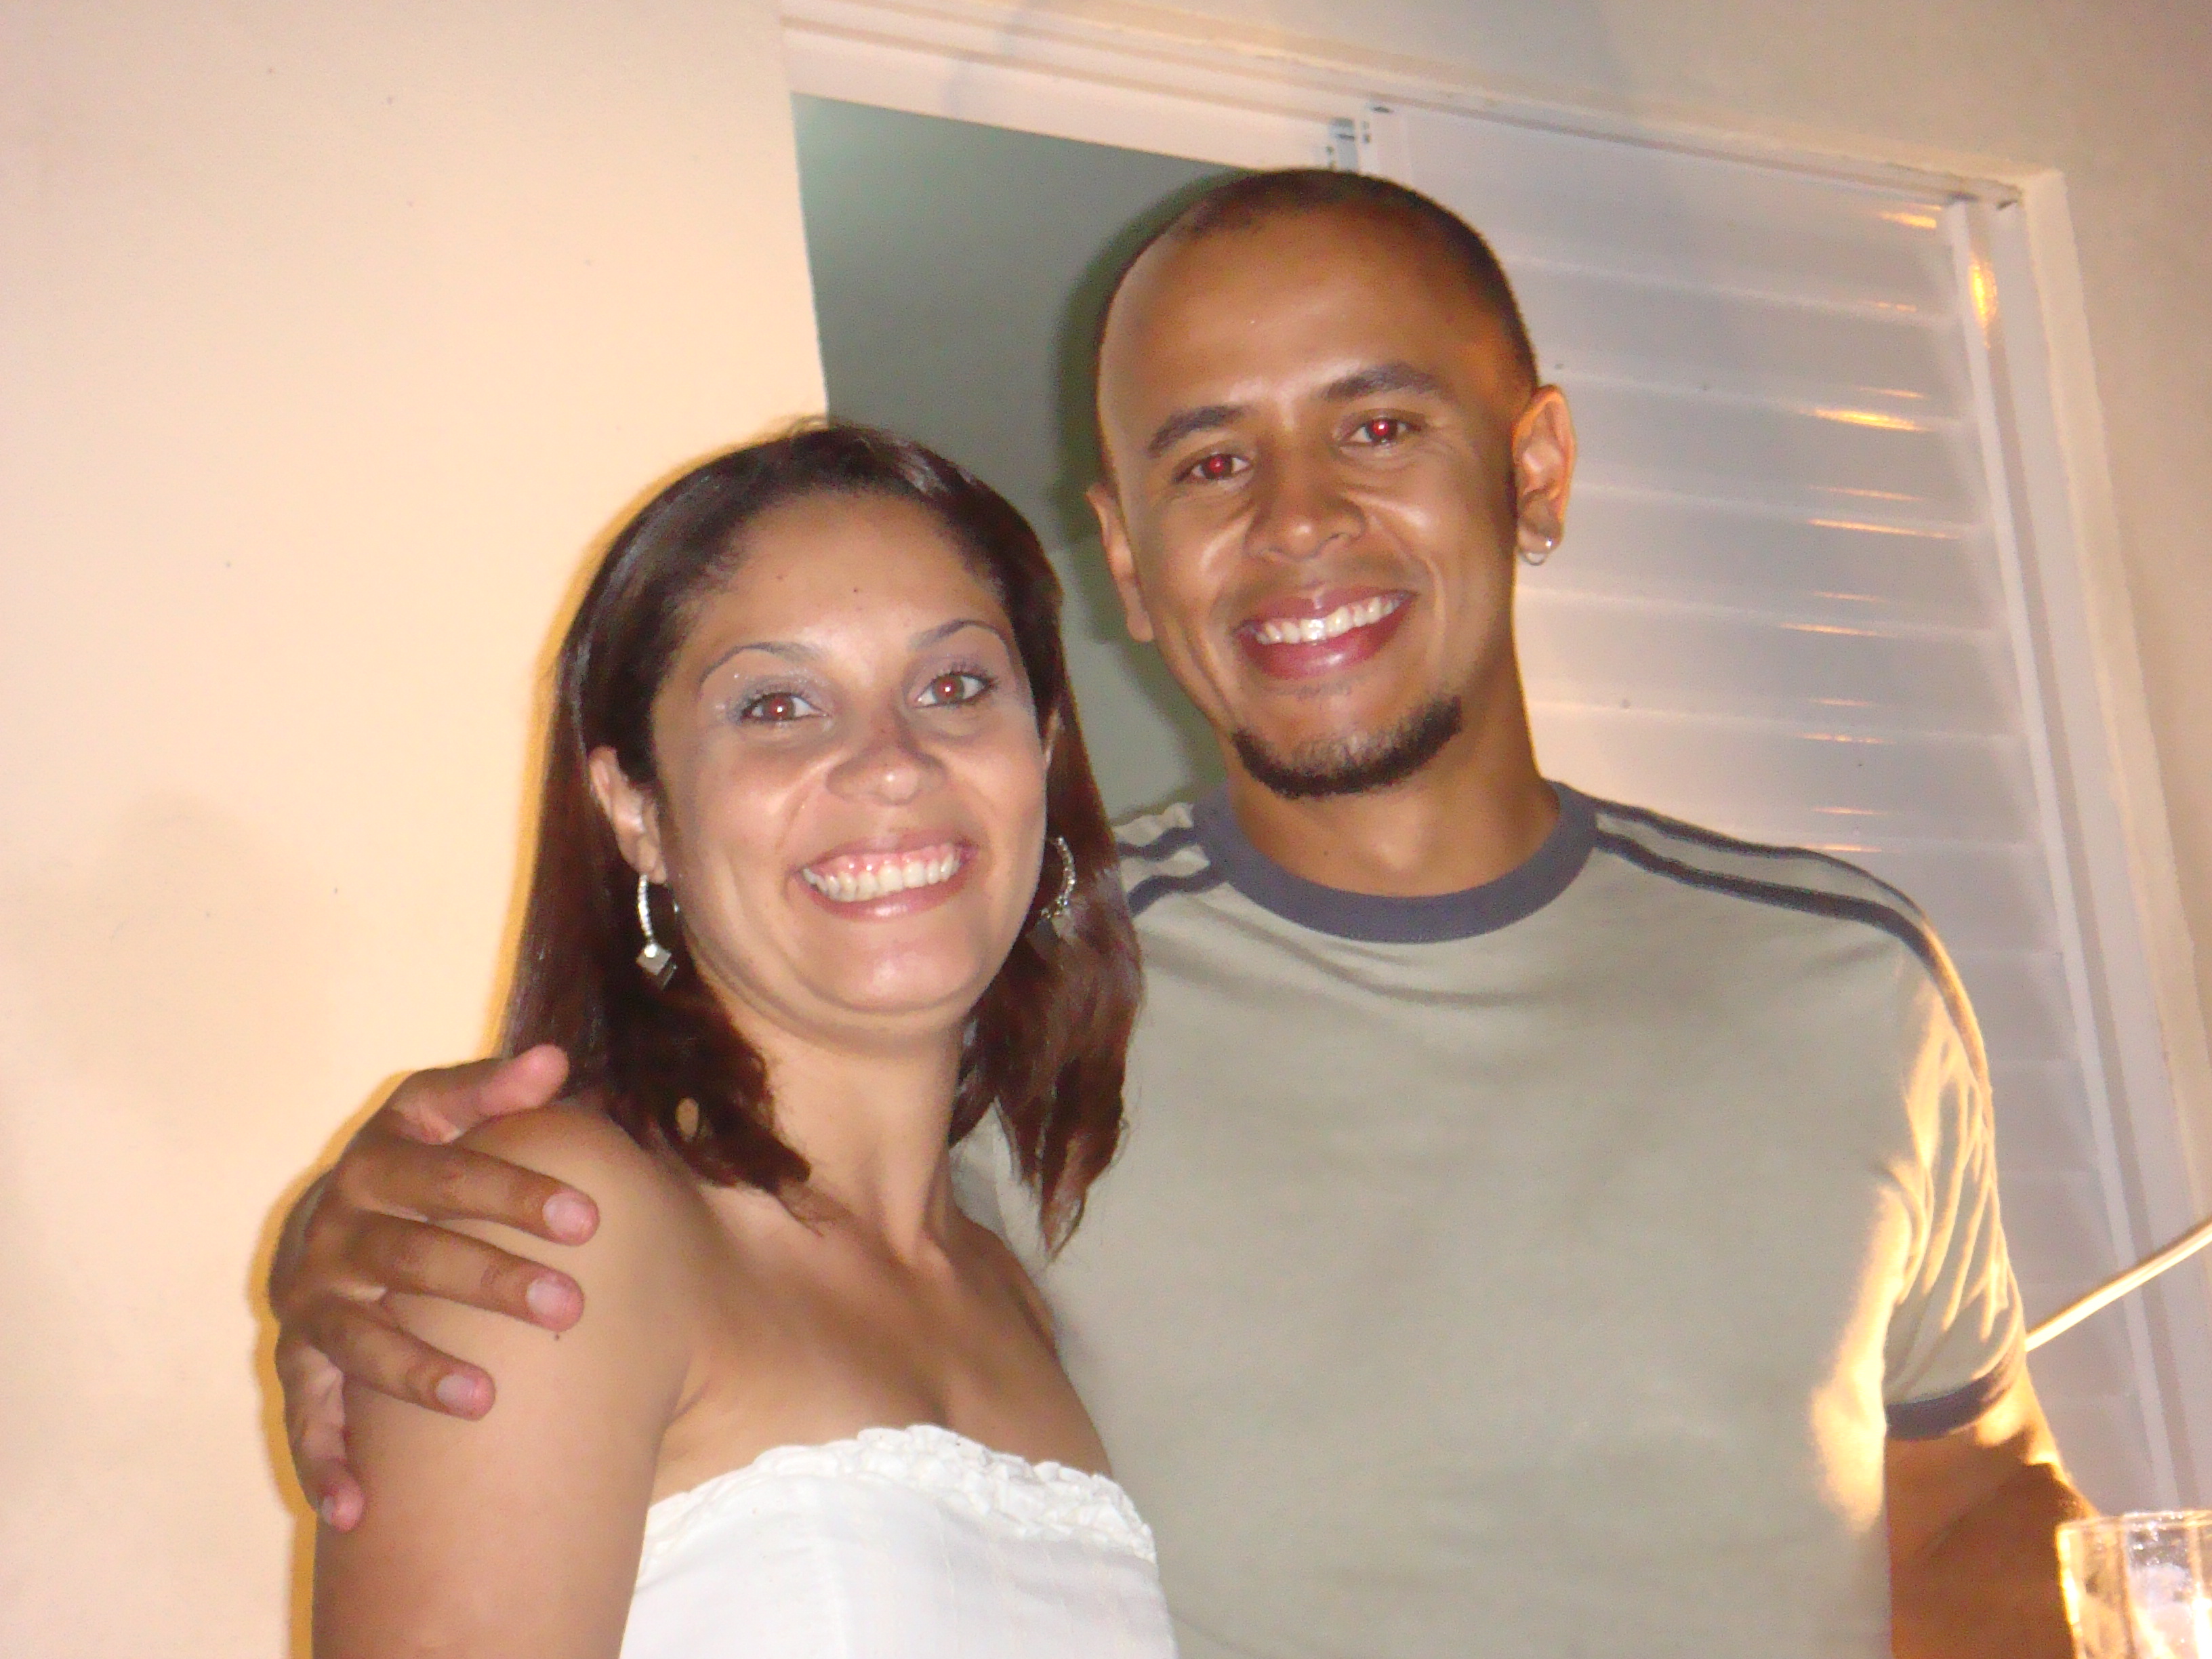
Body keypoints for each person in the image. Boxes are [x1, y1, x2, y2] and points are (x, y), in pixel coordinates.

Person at [272, 171, 2089, 1659]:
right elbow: (688, 1202)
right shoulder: (1020, 1007)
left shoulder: (1849, 980)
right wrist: (368, 1238)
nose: (1299, 519)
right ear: (1129, 559)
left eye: (1378, 423)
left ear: (1534, 466)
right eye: (1212, 461)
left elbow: (1973, 1486)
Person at [308, 422, 1176, 1658]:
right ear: (637, 809)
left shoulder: (1018, 1295)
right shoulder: (555, 1223)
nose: (892, 763)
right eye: (778, 706)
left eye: (954, 687)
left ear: (1039, 752)